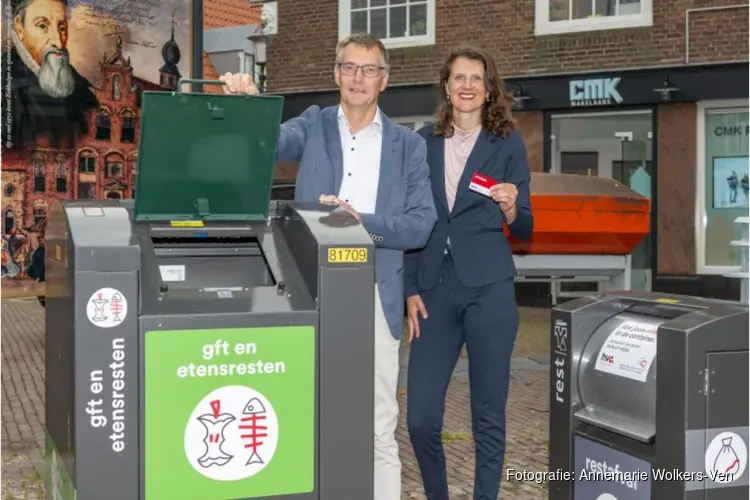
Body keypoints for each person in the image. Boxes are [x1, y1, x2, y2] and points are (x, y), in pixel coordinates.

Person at [220, 33, 437, 500]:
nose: (359, 78)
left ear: (385, 79)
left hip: (376, 294)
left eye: (370, 69)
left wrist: (363, 225)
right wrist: (250, 104)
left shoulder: (408, 147)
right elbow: (268, 143)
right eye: (350, 68)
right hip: (310, 291)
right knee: (307, 415)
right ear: (336, 74)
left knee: (378, 424)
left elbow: (420, 226)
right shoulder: (314, 125)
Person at [404, 46, 534, 500]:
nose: (466, 85)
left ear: (488, 88)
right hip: (433, 290)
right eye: (458, 77)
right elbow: (410, 218)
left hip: (489, 290)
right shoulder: (422, 142)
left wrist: (513, 205)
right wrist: (408, 288)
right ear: (446, 86)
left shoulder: (507, 142)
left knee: (488, 417)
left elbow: (526, 227)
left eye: (476, 78)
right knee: (419, 417)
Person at [3, 0, 99, 151]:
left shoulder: (79, 85)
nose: (58, 43)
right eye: (43, 26)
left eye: (62, 28)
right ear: (19, 27)